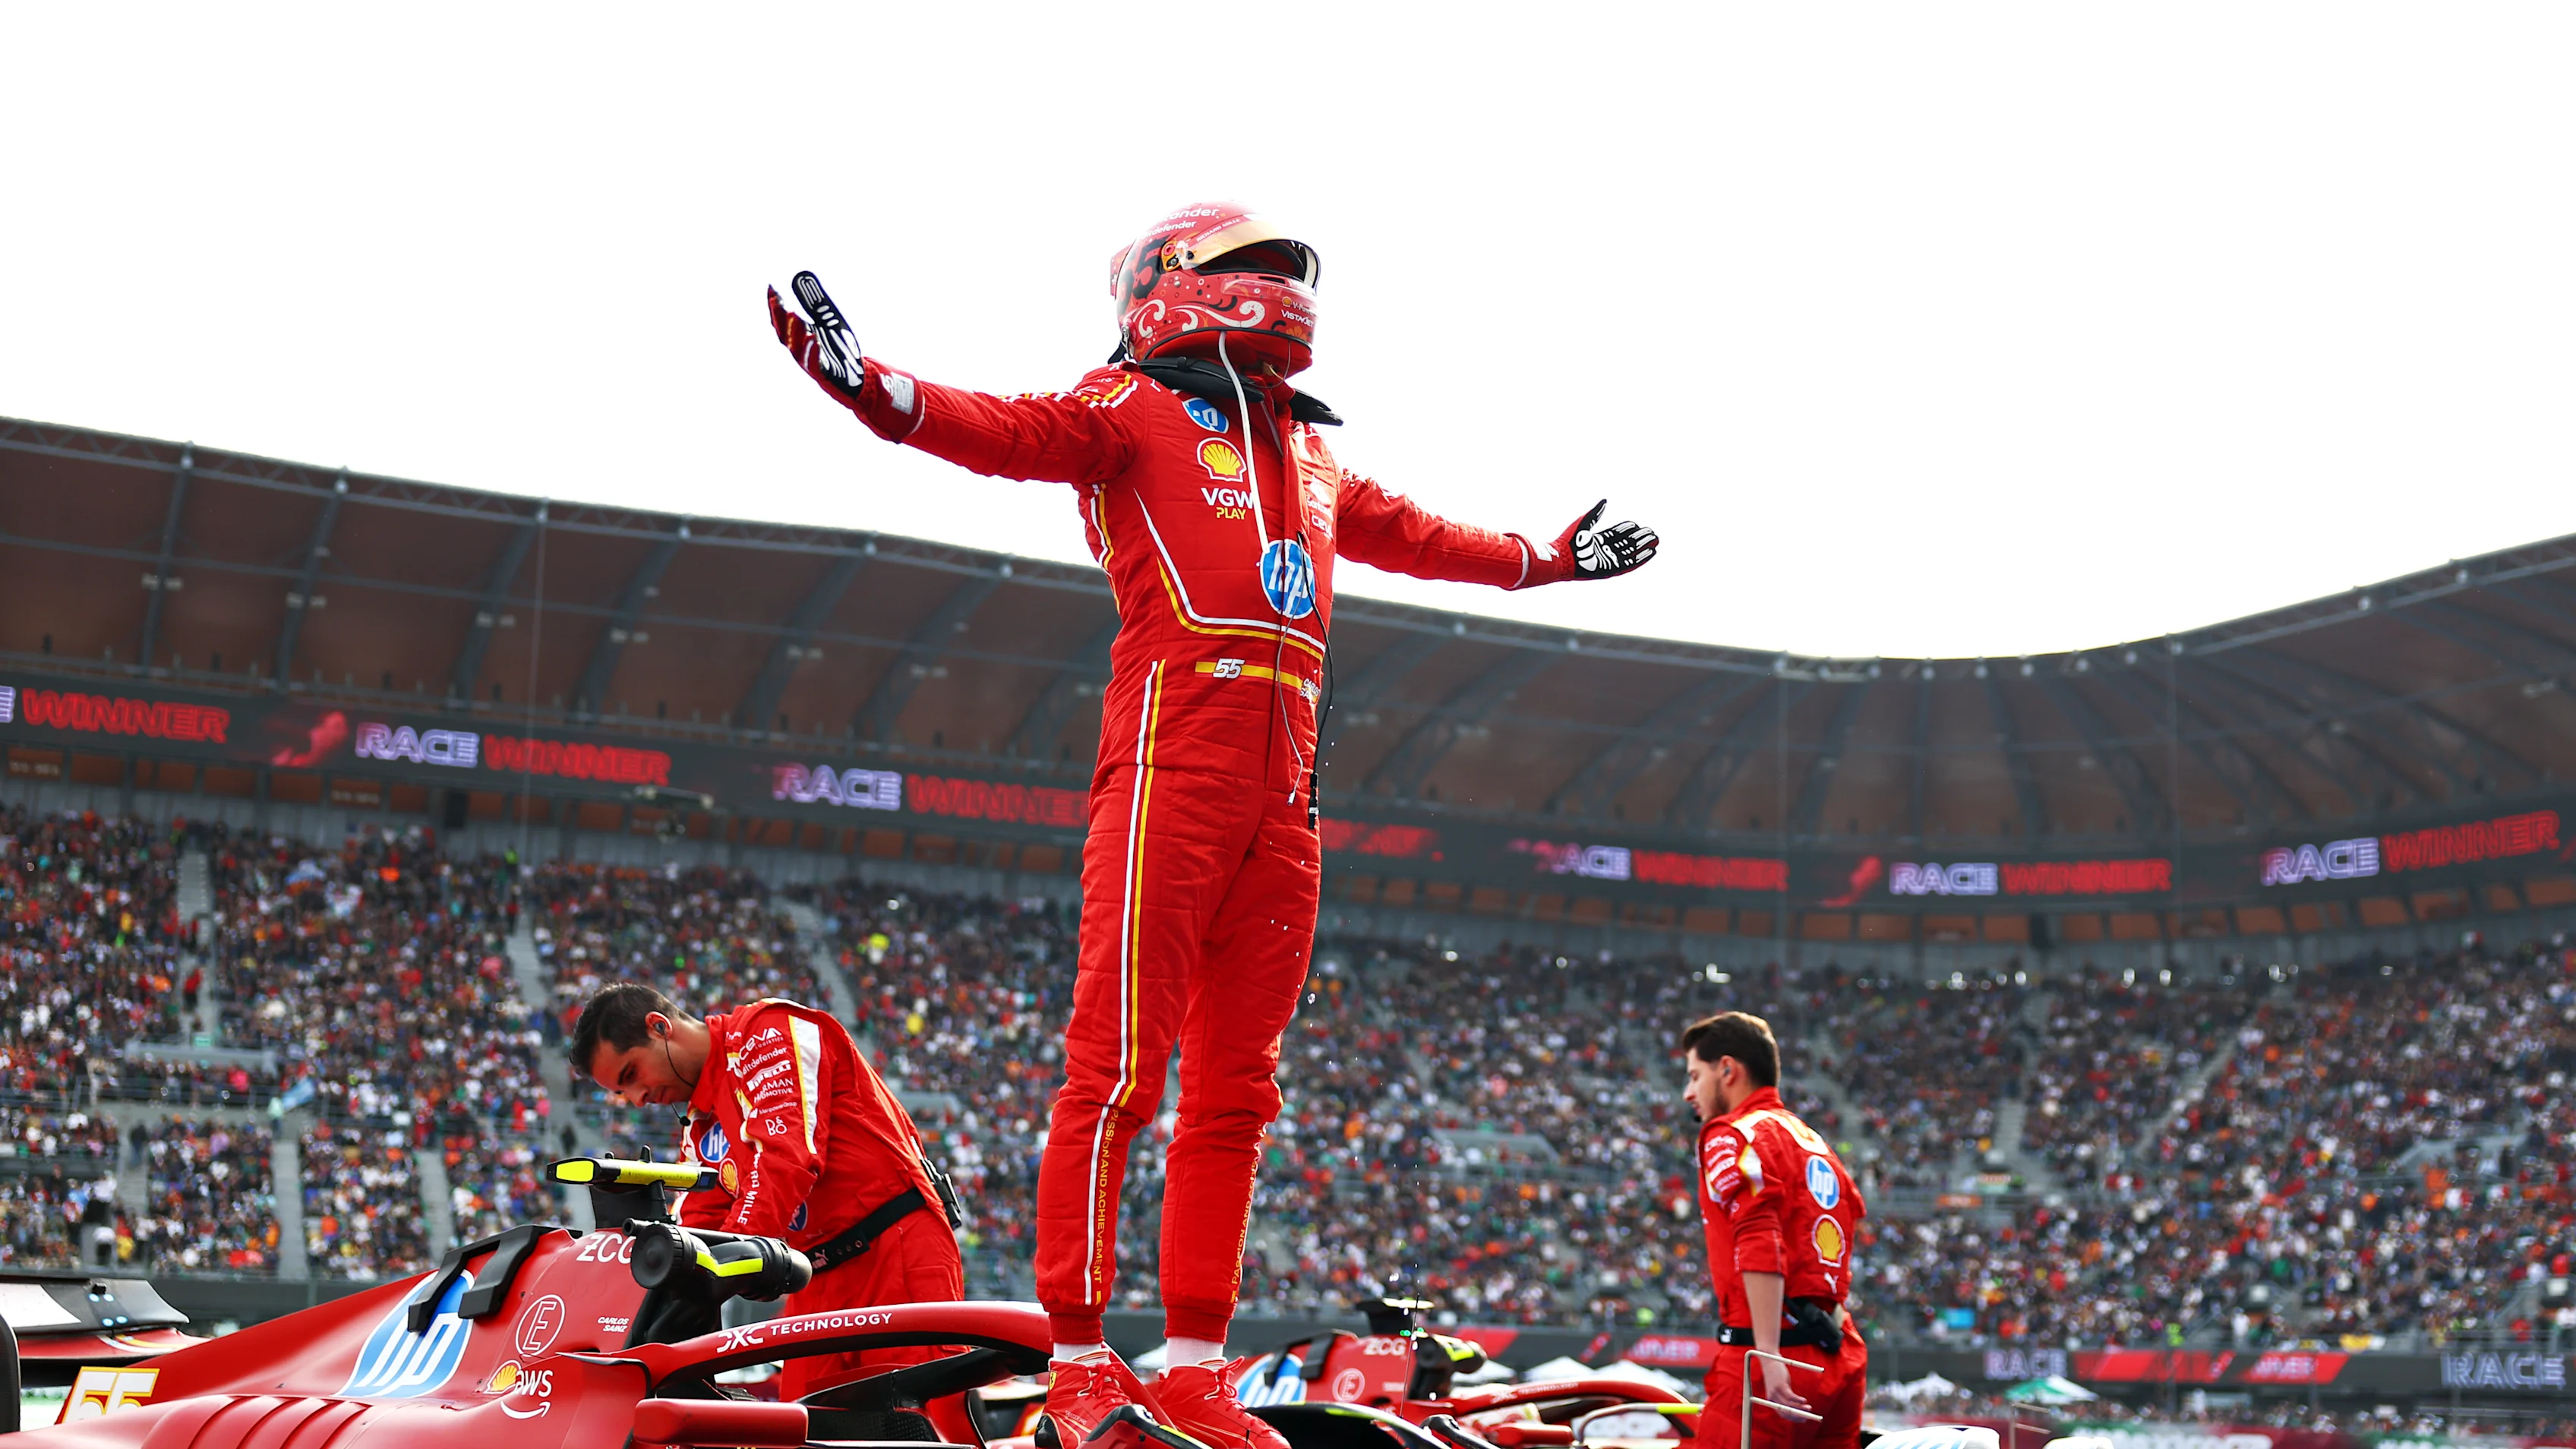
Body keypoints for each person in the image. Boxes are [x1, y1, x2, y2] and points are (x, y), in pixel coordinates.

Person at [766, 204, 1661, 1449]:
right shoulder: (1125, 407)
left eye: (1280, 269)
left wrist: (1548, 558)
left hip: (1287, 795)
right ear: (1163, 284)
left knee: (1238, 1094)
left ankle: (1194, 1370)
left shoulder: (1312, 452)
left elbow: (1422, 538)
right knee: (1116, 1072)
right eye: (1246, 266)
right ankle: (1079, 1362)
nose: (1273, 284)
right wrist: (872, 387)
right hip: (1170, 762)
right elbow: (1003, 432)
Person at [570, 983, 963, 1403]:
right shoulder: (701, 1123)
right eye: (621, 1092)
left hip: (891, 1250)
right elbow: (698, 1224)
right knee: (805, 1428)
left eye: (631, 1075)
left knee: (931, 1419)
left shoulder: (768, 1031)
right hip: (813, 1279)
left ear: (660, 1027)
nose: (637, 1099)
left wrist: (727, 1263)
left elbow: (786, 1157)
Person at [1680, 1012, 1868, 1449]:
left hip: (1772, 1357)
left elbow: (1759, 1236)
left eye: (1694, 1076)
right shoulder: (1814, 1142)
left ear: (1727, 1070)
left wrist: (1767, 1353)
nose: (1689, 1093)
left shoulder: (1730, 1134)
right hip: (1840, 1351)